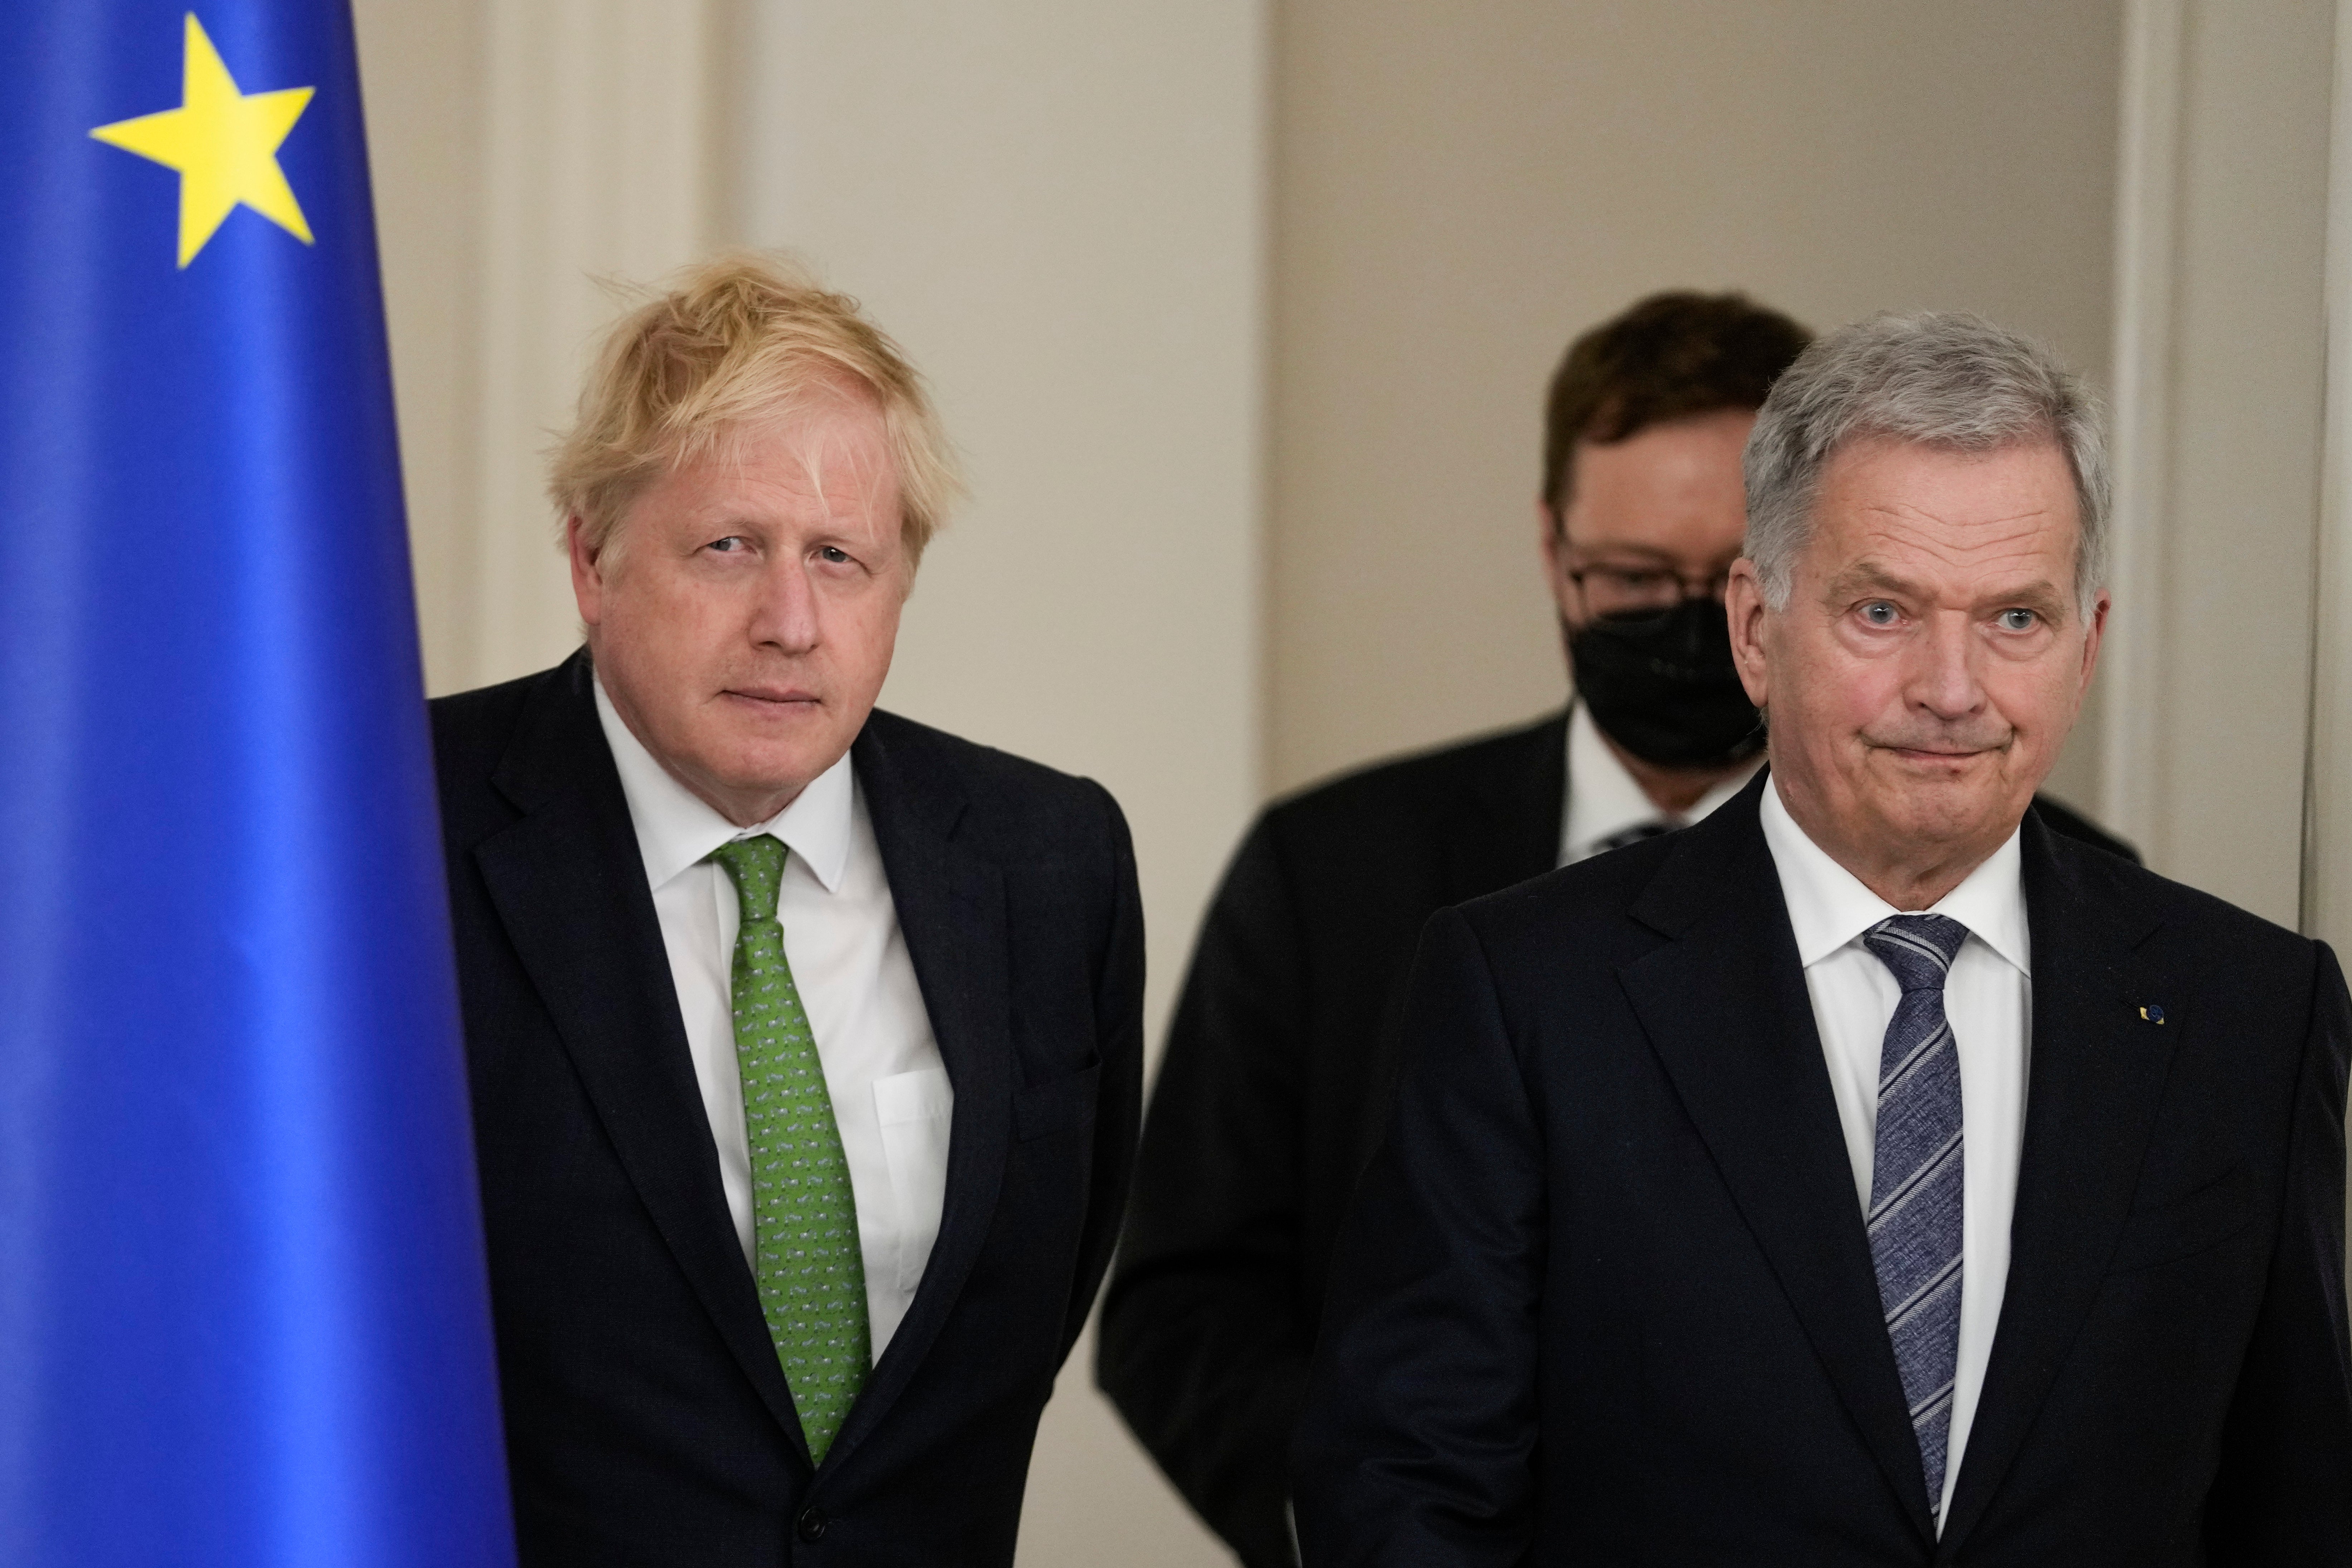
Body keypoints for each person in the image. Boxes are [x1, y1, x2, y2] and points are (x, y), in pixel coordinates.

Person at [1291, 312, 2352, 1564]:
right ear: (1755, 629)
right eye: (1885, 611)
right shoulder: (1526, 994)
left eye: (2017, 619)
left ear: (2088, 647)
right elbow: (1405, 1498)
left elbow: (2298, 1507)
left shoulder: (2252, 1013)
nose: (1952, 690)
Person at [1096, 292, 2133, 1567]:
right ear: (1553, 549)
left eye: (1719, 580)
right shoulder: (1340, 872)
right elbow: (1187, 1302)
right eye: (1635, 579)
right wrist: (1382, 1516)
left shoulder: (2095, 906)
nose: (1687, 627)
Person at [431, 256, 1142, 1566]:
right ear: (593, 560)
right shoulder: (394, 836)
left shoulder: (1050, 866)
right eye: (729, 548)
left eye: (839, 557)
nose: (792, 622)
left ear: (903, 582)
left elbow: (1023, 1317)